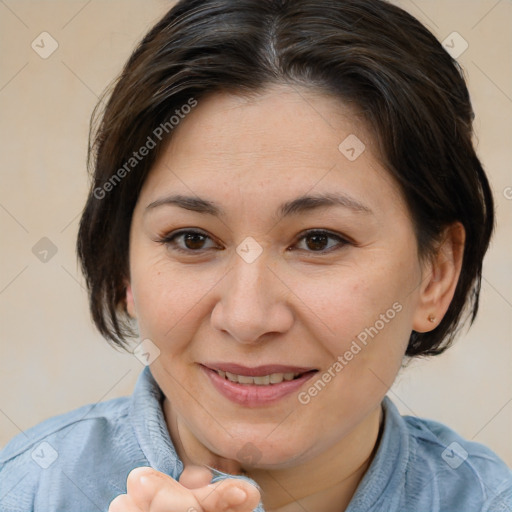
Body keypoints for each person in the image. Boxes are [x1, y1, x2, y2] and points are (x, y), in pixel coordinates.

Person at [1, 0, 511, 511]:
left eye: (318, 240)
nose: (247, 319)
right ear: (123, 269)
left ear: (436, 273)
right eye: (192, 239)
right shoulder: (27, 489)